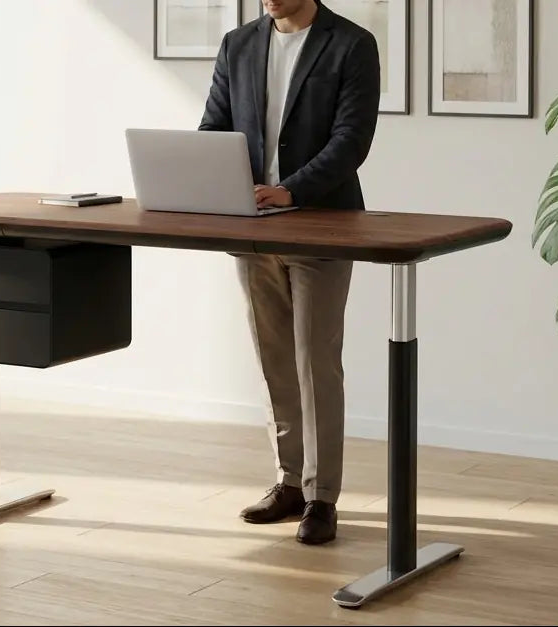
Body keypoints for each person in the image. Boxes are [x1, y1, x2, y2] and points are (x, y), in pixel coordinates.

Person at [198, 0, 380, 545]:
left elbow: (351, 141)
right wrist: (203, 177)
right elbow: (215, 127)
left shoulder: (351, 44)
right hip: (251, 227)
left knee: (314, 362)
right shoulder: (238, 44)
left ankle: (323, 497)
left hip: (323, 224)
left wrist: (292, 190)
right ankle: (290, 482)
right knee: (273, 356)